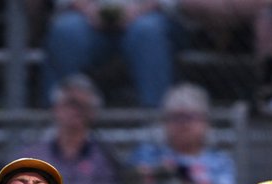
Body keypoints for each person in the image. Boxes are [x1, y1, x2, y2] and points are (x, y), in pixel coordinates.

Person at [42, 0, 176, 108]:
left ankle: (154, 118)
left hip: (145, 16)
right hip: (86, 17)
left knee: (147, 31)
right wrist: (87, 9)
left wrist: (140, 10)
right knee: (66, 31)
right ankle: (60, 116)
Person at [12, 73, 118, 184]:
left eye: (84, 105)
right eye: (71, 104)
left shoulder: (106, 158)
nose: (77, 111)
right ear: (56, 109)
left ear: (93, 112)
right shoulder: (31, 158)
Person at [128, 83, 237, 184]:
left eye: (190, 117)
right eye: (176, 117)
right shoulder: (146, 155)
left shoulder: (220, 163)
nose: (183, 124)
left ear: (205, 122)